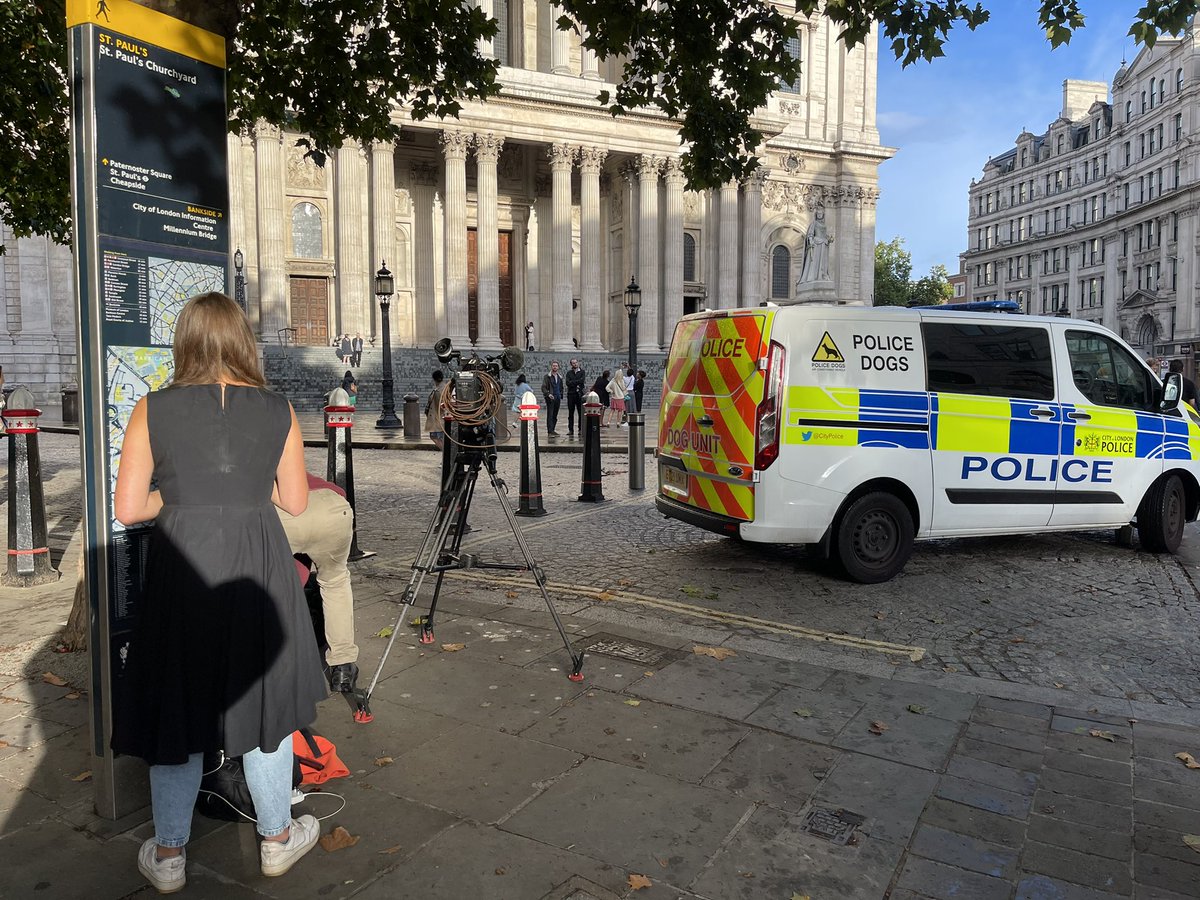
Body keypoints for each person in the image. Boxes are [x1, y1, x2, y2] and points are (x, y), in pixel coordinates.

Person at [111, 292, 324, 893]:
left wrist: (177, 500)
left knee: (177, 703)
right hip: (257, 561)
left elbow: (129, 508)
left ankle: (170, 853)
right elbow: (295, 501)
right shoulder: (278, 408)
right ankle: (277, 838)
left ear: (186, 343)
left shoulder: (152, 408)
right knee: (263, 704)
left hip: (186, 568)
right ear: (242, 342)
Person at [278, 473, 358, 693]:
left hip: (285, 513)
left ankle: (281, 662)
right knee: (335, 581)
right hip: (333, 507)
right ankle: (343, 666)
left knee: (276, 584)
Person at [798, 206, 833, 284]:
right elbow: (810, 233)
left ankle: (822, 274)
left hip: (824, 243)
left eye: (820, 214)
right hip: (816, 243)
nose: (819, 215)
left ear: (823, 215)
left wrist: (829, 239)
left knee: (823, 261)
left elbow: (825, 235)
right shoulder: (814, 223)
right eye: (818, 214)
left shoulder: (824, 225)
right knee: (815, 260)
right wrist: (810, 240)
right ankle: (814, 276)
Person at [425, 369, 447, 449]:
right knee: (437, 437)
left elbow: (440, 406)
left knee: (436, 437)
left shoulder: (438, 390)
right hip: (438, 418)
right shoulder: (443, 387)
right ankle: (446, 455)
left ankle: (446, 455)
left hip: (437, 418)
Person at [541, 360, 564, 435]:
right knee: (550, 414)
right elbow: (543, 387)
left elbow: (561, 387)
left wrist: (561, 394)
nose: (555, 367)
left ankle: (553, 429)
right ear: (551, 367)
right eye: (553, 366)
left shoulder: (560, 377)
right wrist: (548, 394)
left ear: (558, 367)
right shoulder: (547, 377)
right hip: (550, 397)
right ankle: (550, 430)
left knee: (555, 414)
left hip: (557, 397)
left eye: (556, 366)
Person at [565, 358, 586, 437]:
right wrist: (577, 381)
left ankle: (580, 429)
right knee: (571, 413)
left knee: (580, 413)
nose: (575, 364)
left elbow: (582, 381)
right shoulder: (569, 373)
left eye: (576, 362)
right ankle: (570, 430)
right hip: (571, 395)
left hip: (579, 395)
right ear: (571, 364)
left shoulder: (582, 372)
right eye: (573, 363)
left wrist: (573, 382)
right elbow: (568, 383)